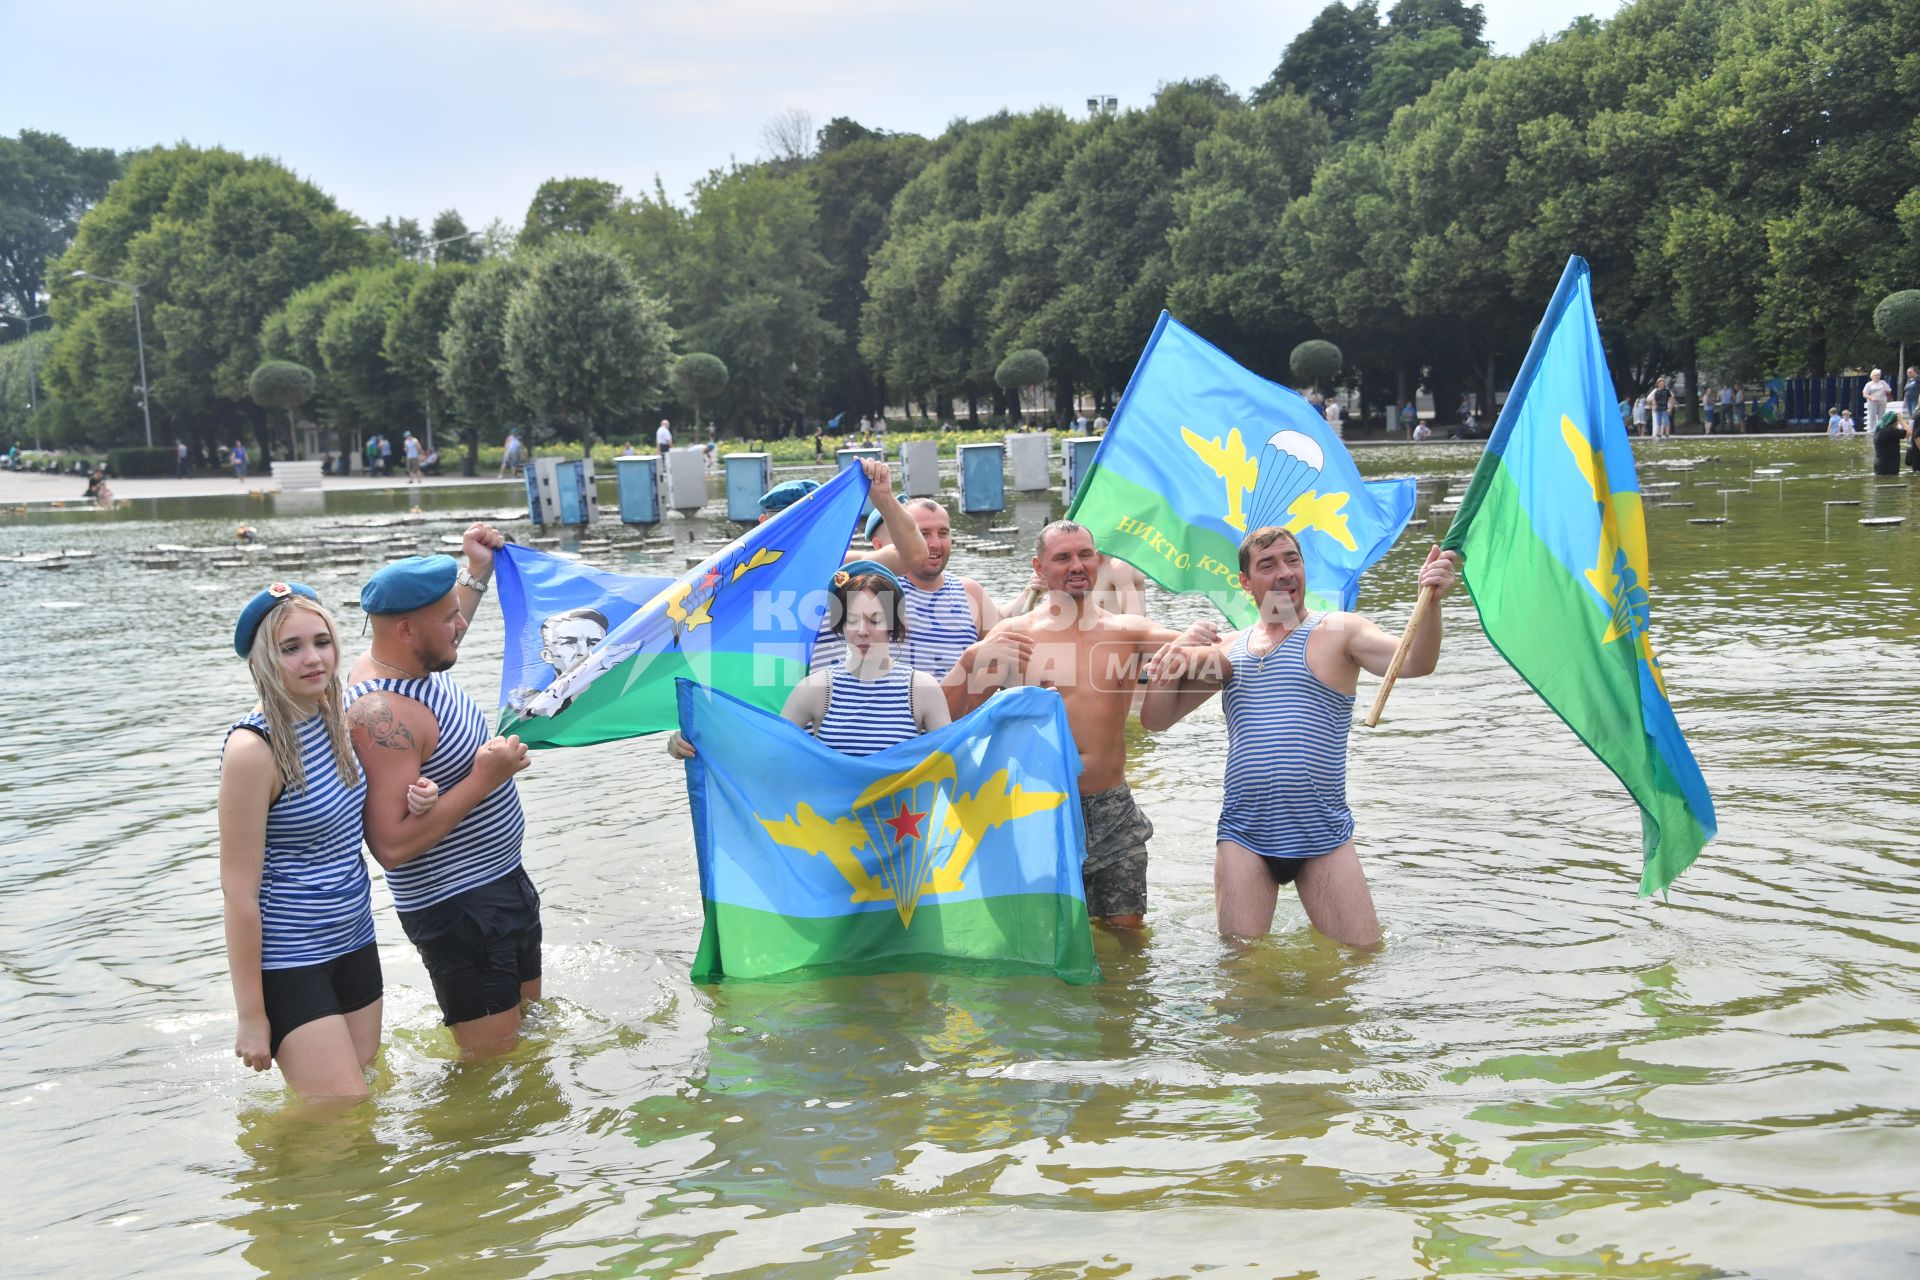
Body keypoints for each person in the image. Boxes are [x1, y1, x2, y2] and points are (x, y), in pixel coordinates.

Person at [1140, 527, 1462, 947]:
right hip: (1245, 837)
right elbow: (1156, 719)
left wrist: (1432, 601)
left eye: (1292, 560)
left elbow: (1415, 661)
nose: (1285, 572)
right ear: (1245, 582)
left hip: (1322, 836)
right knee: (1243, 972)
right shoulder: (1230, 651)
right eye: (1268, 565)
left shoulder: (1339, 631)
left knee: (1362, 957)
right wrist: (1177, 652)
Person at [218, 582, 440, 1099]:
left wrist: (418, 800)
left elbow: (346, 824)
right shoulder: (253, 751)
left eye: (321, 641)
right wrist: (251, 1014)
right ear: (263, 661)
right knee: (342, 1106)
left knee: (362, 1098)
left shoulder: (334, 718)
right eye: (290, 648)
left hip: (354, 941)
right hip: (289, 959)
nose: (313, 658)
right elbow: (238, 892)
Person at [344, 534, 540, 1058]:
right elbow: (390, 847)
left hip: (502, 883)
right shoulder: (379, 714)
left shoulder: (417, 658)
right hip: (459, 909)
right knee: (491, 1067)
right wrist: (484, 778)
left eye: (460, 612)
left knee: (531, 1045)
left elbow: (443, 626)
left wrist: (477, 571)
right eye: (450, 618)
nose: (462, 626)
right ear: (407, 630)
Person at [946, 521, 1181, 927]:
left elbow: (1220, 654)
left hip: (1112, 808)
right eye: (1063, 557)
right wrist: (971, 658)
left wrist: (1195, 636)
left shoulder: (1128, 632)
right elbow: (952, 720)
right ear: (1039, 567)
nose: (1077, 565)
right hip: (1040, 806)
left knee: (1127, 938)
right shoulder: (1014, 634)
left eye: (1085, 554)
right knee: (1049, 933)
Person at [669, 561, 949, 763]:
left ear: (893, 623)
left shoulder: (922, 690)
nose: (862, 630)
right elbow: (767, 754)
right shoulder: (817, 689)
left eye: (874, 619)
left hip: (903, 836)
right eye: (852, 620)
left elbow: (954, 766)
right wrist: (699, 740)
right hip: (832, 837)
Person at [1872, 410, 1905, 476]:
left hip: (1880, 464)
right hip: (1889, 465)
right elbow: (1909, 432)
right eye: (1897, 422)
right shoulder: (1890, 431)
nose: (1897, 424)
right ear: (1893, 422)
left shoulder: (1879, 431)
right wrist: (1901, 420)